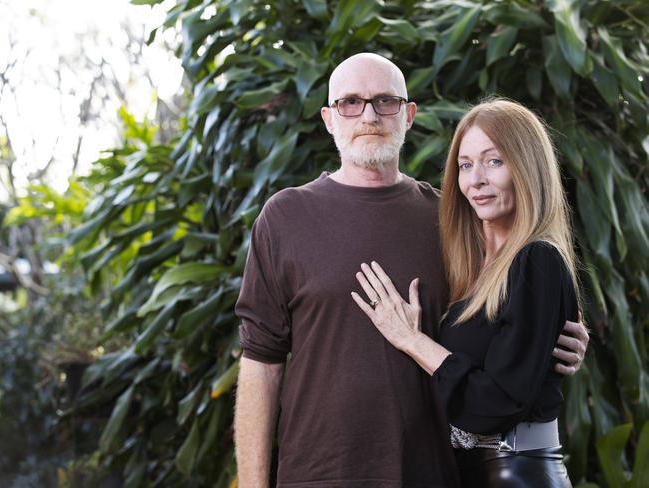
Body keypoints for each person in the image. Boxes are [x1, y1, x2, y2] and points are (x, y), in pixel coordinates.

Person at [234, 54, 588, 488]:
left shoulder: (455, 222)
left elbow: (506, 324)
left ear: (408, 115)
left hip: (433, 472)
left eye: (385, 101)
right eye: (349, 102)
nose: (368, 115)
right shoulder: (284, 218)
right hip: (318, 474)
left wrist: (560, 338)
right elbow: (260, 364)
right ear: (329, 118)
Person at [352, 98, 580, 487]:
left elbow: (496, 403)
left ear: (528, 168)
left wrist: (411, 339)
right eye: (465, 165)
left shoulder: (537, 260)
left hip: (518, 475)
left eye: (494, 161)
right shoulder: (474, 269)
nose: (476, 180)